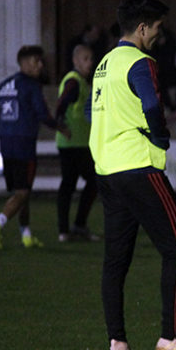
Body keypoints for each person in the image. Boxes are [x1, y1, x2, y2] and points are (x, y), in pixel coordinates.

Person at [89, 0, 176, 350]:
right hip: (138, 167)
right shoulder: (141, 62)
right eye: (157, 28)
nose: (160, 35)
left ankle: (118, 346)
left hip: (107, 172)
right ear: (142, 28)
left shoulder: (104, 64)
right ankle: (171, 337)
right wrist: (160, 137)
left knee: (116, 261)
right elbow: (152, 106)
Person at [0, 45, 69, 250]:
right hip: (23, 144)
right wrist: (60, 127)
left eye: (40, 61)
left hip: (7, 144)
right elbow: (42, 114)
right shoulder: (31, 85)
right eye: (35, 61)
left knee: (22, 191)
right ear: (23, 63)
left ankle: (26, 235)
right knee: (22, 193)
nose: (40, 65)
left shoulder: (3, 85)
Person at [55, 44, 100, 243]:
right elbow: (62, 102)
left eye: (91, 58)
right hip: (73, 143)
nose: (90, 62)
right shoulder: (73, 82)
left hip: (78, 143)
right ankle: (73, 228)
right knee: (89, 181)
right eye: (86, 58)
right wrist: (60, 122)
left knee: (71, 184)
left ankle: (69, 229)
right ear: (75, 61)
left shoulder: (81, 82)